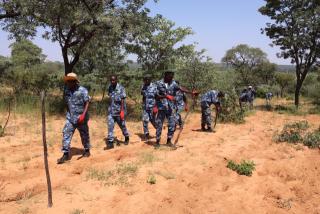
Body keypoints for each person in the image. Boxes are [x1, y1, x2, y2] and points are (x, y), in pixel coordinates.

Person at [154, 70, 196, 148]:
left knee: (172, 124)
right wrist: (165, 96)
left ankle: (169, 141)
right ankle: (157, 142)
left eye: (173, 76)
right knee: (159, 124)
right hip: (161, 107)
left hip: (170, 108)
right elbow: (156, 96)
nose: (172, 78)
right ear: (166, 76)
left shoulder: (173, 83)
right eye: (170, 76)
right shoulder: (158, 83)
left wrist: (191, 92)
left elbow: (181, 89)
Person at [57, 72, 91, 164]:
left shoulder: (82, 90)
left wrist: (83, 115)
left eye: (71, 81)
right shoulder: (67, 90)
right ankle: (65, 154)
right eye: (68, 81)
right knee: (66, 133)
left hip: (81, 118)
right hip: (70, 118)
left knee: (84, 134)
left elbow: (87, 102)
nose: (69, 83)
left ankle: (87, 150)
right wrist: (69, 113)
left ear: (75, 81)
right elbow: (68, 103)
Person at [105, 75, 129, 150]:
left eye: (114, 80)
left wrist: (122, 111)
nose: (112, 82)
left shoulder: (121, 88)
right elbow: (110, 98)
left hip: (119, 111)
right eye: (111, 80)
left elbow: (122, 100)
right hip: (111, 111)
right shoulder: (110, 87)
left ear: (116, 80)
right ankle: (110, 142)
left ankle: (126, 136)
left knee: (122, 126)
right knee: (110, 126)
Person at [141, 74, 157, 140]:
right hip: (145, 106)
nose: (147, 80)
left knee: (153, 120)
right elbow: (143, 96)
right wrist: (143, 104)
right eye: (145, 79)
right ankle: (146, 134)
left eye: (148, 79)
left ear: (150, 79)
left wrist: (156, 106)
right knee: (144, 120)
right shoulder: (143, 86)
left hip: (152, 106)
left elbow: (157, 97)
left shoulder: (154, 86)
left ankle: (158, 129)